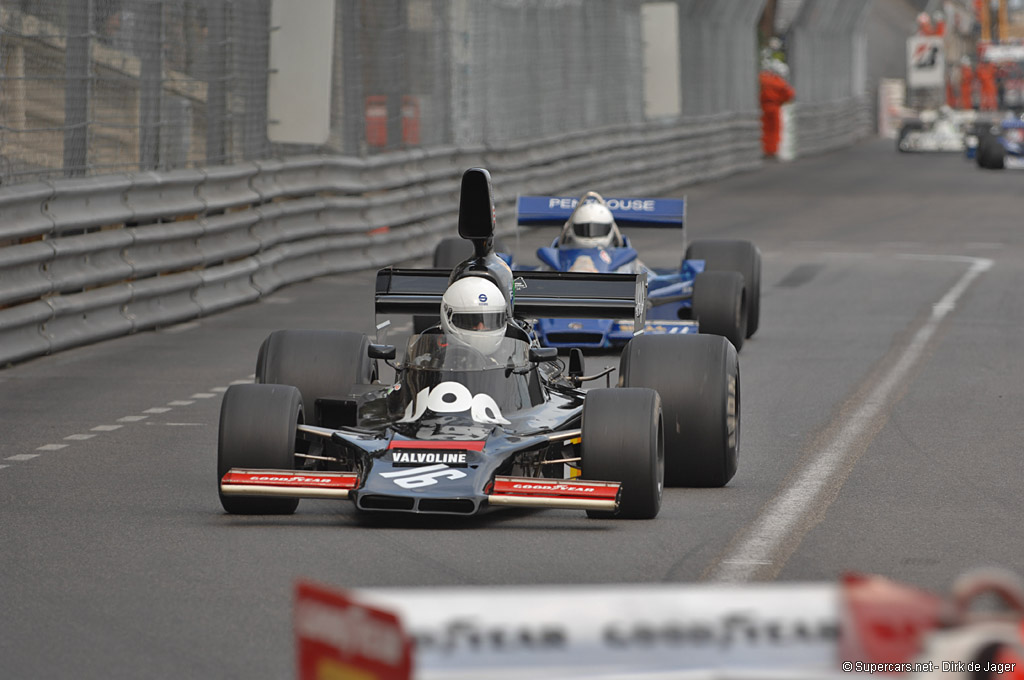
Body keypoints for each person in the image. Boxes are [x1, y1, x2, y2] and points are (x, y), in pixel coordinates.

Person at [439, 276, 510, 355]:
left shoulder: (514, 357)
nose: (481, 328)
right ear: (448, 316)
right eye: (472, 321)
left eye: (490, 321)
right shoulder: (435, 356)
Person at [759, 63, 795, 158]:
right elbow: (789, 94)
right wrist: (781, 100)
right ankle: (771, 150)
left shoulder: (762, 79)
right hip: (774, 107)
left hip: (762, 107)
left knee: (763, 129)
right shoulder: (779, 82)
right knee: (774, 129)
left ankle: (763, 149)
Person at [558, 201, 623, 250]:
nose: (591, 238)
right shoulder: (564, 250)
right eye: (583, 229)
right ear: (572, 229)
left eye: (598, 229)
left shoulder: (620, 254)